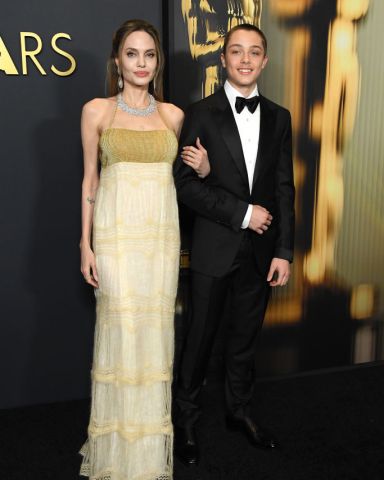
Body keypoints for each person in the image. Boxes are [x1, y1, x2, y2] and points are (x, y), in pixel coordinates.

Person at [78, 19, 208, 480]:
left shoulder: (173, 116)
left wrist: (205, 167)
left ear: (158, 62)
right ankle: (115, 453)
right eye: (132, 54)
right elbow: (90, 180)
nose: (141, 63)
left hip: (159, 241)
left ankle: (148, 456)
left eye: (149, 55)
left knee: (154, 338)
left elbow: (192, 181)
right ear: (117, 60)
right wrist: (85, 243)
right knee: (120, 333)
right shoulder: (97, 110)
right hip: (114, 237)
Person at [173, 23, 295, 465]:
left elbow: (284, 188)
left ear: (265, 61)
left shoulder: (280, 117)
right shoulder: (199, 113)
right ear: (223, 59)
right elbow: (185, 185)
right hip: (213, 248)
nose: (245, 59)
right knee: (199, 339)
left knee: (244, 340)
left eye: (254, 52)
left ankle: (239, 413)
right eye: (236, 52)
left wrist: (284, 250)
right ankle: (185, 422)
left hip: (262, 252)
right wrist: (242, 213)